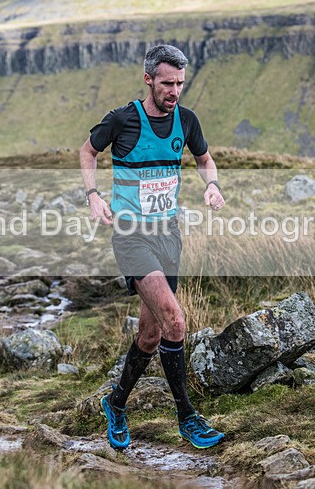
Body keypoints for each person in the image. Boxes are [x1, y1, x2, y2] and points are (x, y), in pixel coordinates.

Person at [80, 44, 226, 451]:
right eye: (167, 83)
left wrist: (211, 185)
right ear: (149, 79)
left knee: (149, 335)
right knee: (175, 322)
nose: (174, 90)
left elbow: (205, 159)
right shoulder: (124, 119)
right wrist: (93, 195)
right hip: (131, 236)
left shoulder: (187, 120)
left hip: (168, 236)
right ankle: (187, 418)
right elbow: (88, 151)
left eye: (180, 82)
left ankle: (116, 404)